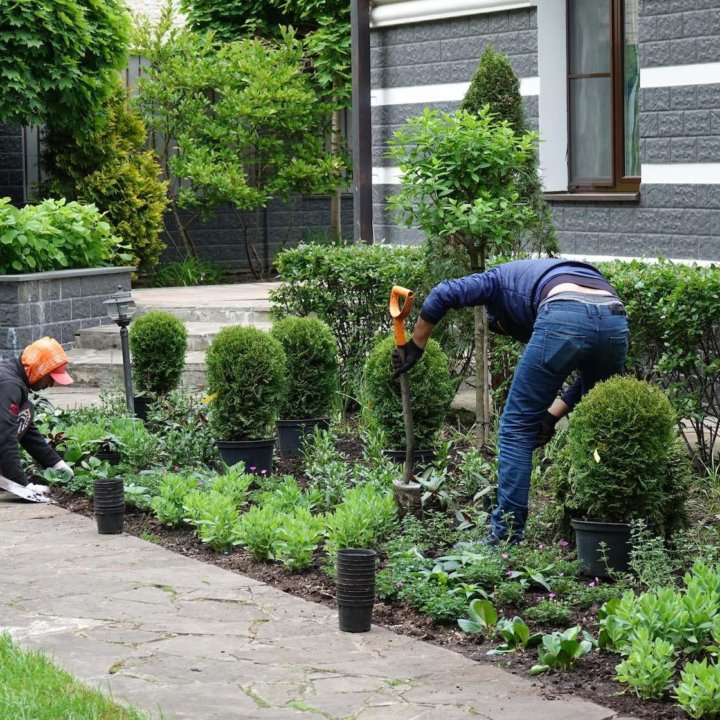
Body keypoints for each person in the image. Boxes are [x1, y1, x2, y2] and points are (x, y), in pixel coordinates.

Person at [393, 258, 629, 545]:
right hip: (614, 317)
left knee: (516, 428)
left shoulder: (495, 281)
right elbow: (584, 384)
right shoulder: (536, 275)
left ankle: (504, 536)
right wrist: (551, 416)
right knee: (601, 425)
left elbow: (443, 293)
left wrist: (416, 345)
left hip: (563, 310)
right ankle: (605, 521)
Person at [0, 337, 74, 493]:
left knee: (26, 411)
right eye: (50, 377)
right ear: (40, 369)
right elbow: (5, 436)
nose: (51, 384)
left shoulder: (12, 378)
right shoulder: (9, 385)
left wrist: (56, 463)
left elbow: (27, 432)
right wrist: (22, 486)